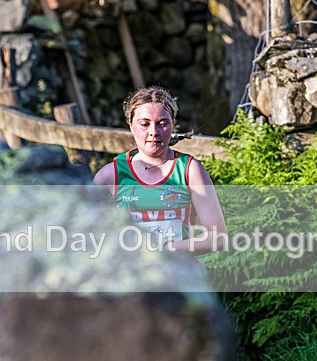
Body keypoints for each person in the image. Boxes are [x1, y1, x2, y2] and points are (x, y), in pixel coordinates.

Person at [94, 86, 226, 253]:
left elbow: (218, 238)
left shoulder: (189, 170)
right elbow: (88, 236)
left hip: (179, 275)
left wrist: (166, 250)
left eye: (162, 124)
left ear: (173, 124)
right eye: (144, 124)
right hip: (129, 276)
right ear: (131, 125)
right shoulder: (110, 176)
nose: (153, 132)